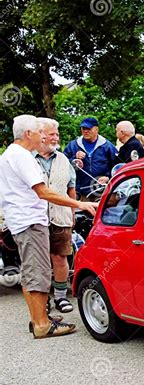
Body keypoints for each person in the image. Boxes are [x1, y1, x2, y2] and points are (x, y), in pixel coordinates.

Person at [0, 115, 97, 339]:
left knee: (30, 273)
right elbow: (43, 192)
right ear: (27, 134)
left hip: (21, 221)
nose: (42, 136)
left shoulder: (9, 155)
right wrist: (78, 203)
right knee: (38, 274)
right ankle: (42, 324)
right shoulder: (22, 157)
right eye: (38, 132)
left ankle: (37, 319)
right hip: (30, 222)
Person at [35, 118, 76, 314]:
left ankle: (60, 297)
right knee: (39, 261)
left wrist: (73, 213)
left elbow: (71, 189)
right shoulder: (27, 158)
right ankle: (42, 299)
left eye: (57, 134)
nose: (56, 138)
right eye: (52, 134)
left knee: (60, 257)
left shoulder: (64, 159)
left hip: (61, 216)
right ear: (40, 135)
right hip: (35, 218)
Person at [63, 117, 117, 199]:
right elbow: (62, 164)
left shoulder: (107, 146)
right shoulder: (73, 146)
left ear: (96, 129)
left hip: (101, 192)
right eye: (83, 128)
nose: (85, 131)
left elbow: (117, 167)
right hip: (79, 193)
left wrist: (108, 177)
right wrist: (74, 159)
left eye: (89, 128)